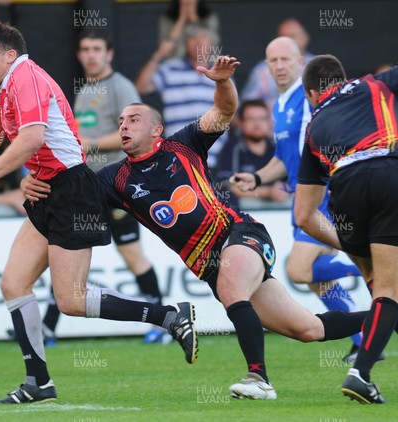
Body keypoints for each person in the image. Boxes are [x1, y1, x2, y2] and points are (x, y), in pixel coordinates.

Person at [23, 55, 369, 400]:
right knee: (308, 328)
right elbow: (72, 196)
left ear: (156, 129)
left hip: (240, 234)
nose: (124, 126)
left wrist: (221, 82)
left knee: (232, 286)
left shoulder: (183, 144)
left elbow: (224, 112)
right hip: (211, 267)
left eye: (134, 119)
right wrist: (33, 184)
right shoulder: (115, 179)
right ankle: (384, 316)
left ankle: (258, 379)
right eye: (121, 121)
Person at [0, 22, 199, 405]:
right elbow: (2, 142)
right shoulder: (7, 89)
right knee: (13, 285)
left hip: (71, 190)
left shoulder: (25, 76)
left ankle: (167, 316)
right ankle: (38, 382)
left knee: (72, 300)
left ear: (9, 55)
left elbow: (32, 137)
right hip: (47, 187)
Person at [28, 28, 166, 345]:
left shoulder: (120, 86)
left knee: (132, 255)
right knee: (66, 251)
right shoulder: (84, 89)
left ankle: (161, 321)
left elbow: (136, 134)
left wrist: (89, 143)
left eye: (96, 49)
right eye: (85, 49)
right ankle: (48, 326)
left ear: (109, 54)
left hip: (115, 184)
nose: (90, 54)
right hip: (85, 189)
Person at [230, 37, 363, 362]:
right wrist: (258, 177)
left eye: (285, 59)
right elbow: (285, 157)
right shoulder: (281, 104)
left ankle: (372, 261)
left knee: (299, 271)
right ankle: (362, 339)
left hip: (321, 195)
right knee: (319, 280)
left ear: (300, 61)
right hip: (300, 198)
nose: (278, 66)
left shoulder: (309, 99)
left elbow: (330, 140)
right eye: (272, 60)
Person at [295, 58, 398, 404]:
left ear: (311, 94)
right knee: (390, 289)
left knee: (382, 285)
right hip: (387, 172)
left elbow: (304, 217)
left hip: (344, 193)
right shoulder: (374, 83)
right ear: (343, 78)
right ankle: (361, 374)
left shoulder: (312, 129)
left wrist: (351, 243)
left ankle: (364, 365)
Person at [135, 24, 227, 169]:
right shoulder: (170, 69)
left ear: (212, 43)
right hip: (178, 156)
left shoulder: (222, 73)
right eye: (192, 38)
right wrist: (159, 54)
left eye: (203, 38)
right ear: (185, 44)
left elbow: (230, 113)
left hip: (214, 159)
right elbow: (141, 87)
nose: (198, 42)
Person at [216, 99, 288, 210]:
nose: (257, 124)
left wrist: (283, 190)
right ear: (241, 123)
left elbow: (296, 182)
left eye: (262, 119)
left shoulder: (278, 147)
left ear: (269, 122)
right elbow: (228, 188)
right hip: (244, 217)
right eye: (250, 119)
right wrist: (268, 192)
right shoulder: (232, 148)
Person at [241, 18, 313, 111]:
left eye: (292, 36)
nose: (287, 41)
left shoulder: (318, 67)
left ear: (305, 38)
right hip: (272, 124)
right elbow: (248, 107)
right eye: (283, 37)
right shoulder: (262, 71)